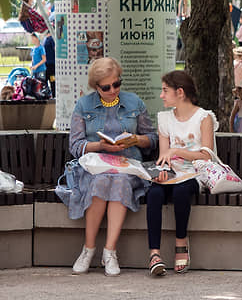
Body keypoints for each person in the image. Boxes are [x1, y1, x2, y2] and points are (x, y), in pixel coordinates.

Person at [63, 57, 158, 276]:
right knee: (102, 180)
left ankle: (110, 252)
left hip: (127, 166)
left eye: (117, 84)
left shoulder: (134, 102)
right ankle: (88, 249)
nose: (113, 90)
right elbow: (75, 145)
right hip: (96, 167)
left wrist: (135, 140)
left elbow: (152, 138)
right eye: (106, 87)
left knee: (120, 181)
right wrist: (100, 145)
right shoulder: (84, 105)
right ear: (96, 87)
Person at [147, 71, 219, 276]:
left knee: (181, 192)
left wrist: (177, 151)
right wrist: (162, 171)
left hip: (195, 174)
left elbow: (206, 156)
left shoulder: (203, 117)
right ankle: (154, 253)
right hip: (172, 174)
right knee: (154, 193)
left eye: (165, 90)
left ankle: (181, 243)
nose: (161, 95)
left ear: (180, 92)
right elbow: (163, 157)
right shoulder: (164, 118)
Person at [43, 32, 56, 97]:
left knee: (51, 80)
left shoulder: (50, 39)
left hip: (50, 64)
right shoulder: (47, 39)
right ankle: (51, 94)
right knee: (50, 80)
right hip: (49, 64)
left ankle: (52, 94)